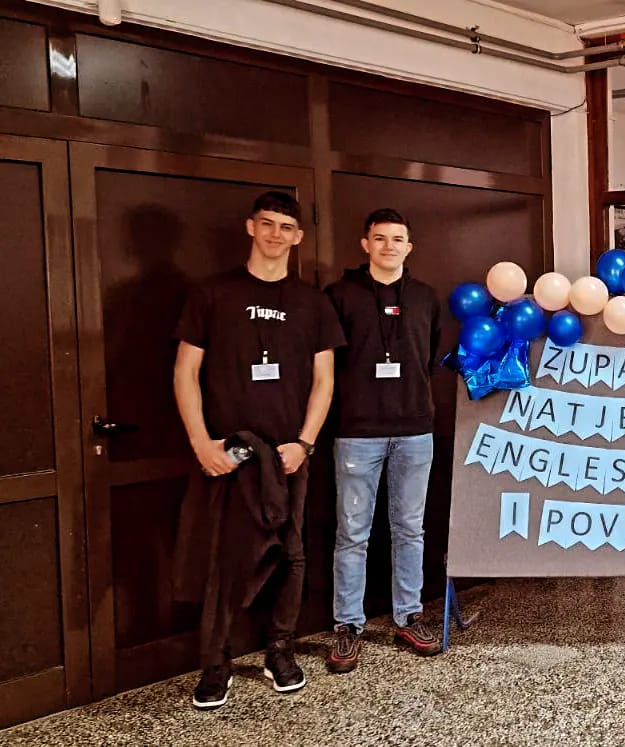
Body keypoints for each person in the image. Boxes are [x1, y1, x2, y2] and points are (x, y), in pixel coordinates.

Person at [173, 191, 346, 710]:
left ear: (298, 237)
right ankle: (216, 662)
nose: (276, 234)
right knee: (225, 559)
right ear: (251, 227)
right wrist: (201, 443)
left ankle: (280, 649)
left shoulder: (314, 303)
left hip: (289, 456)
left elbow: (324, 380)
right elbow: (185, 372)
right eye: (267, 224)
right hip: (228, 456)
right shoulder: (212, 293)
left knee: (291, 555)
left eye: (286, 227)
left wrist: (306, 443)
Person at [324, 209, 444, 673]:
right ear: (365, 244)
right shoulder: (339, 296)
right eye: (380, 238)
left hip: (415, 429)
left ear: (409, 247)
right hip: (357, 432)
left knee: (410, 528)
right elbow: (329, 364)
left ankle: (408, 616)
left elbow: (429, 355)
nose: (389, 246)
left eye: (397, 239)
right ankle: (347, 625)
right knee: (352, 533)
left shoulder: (425, 297)